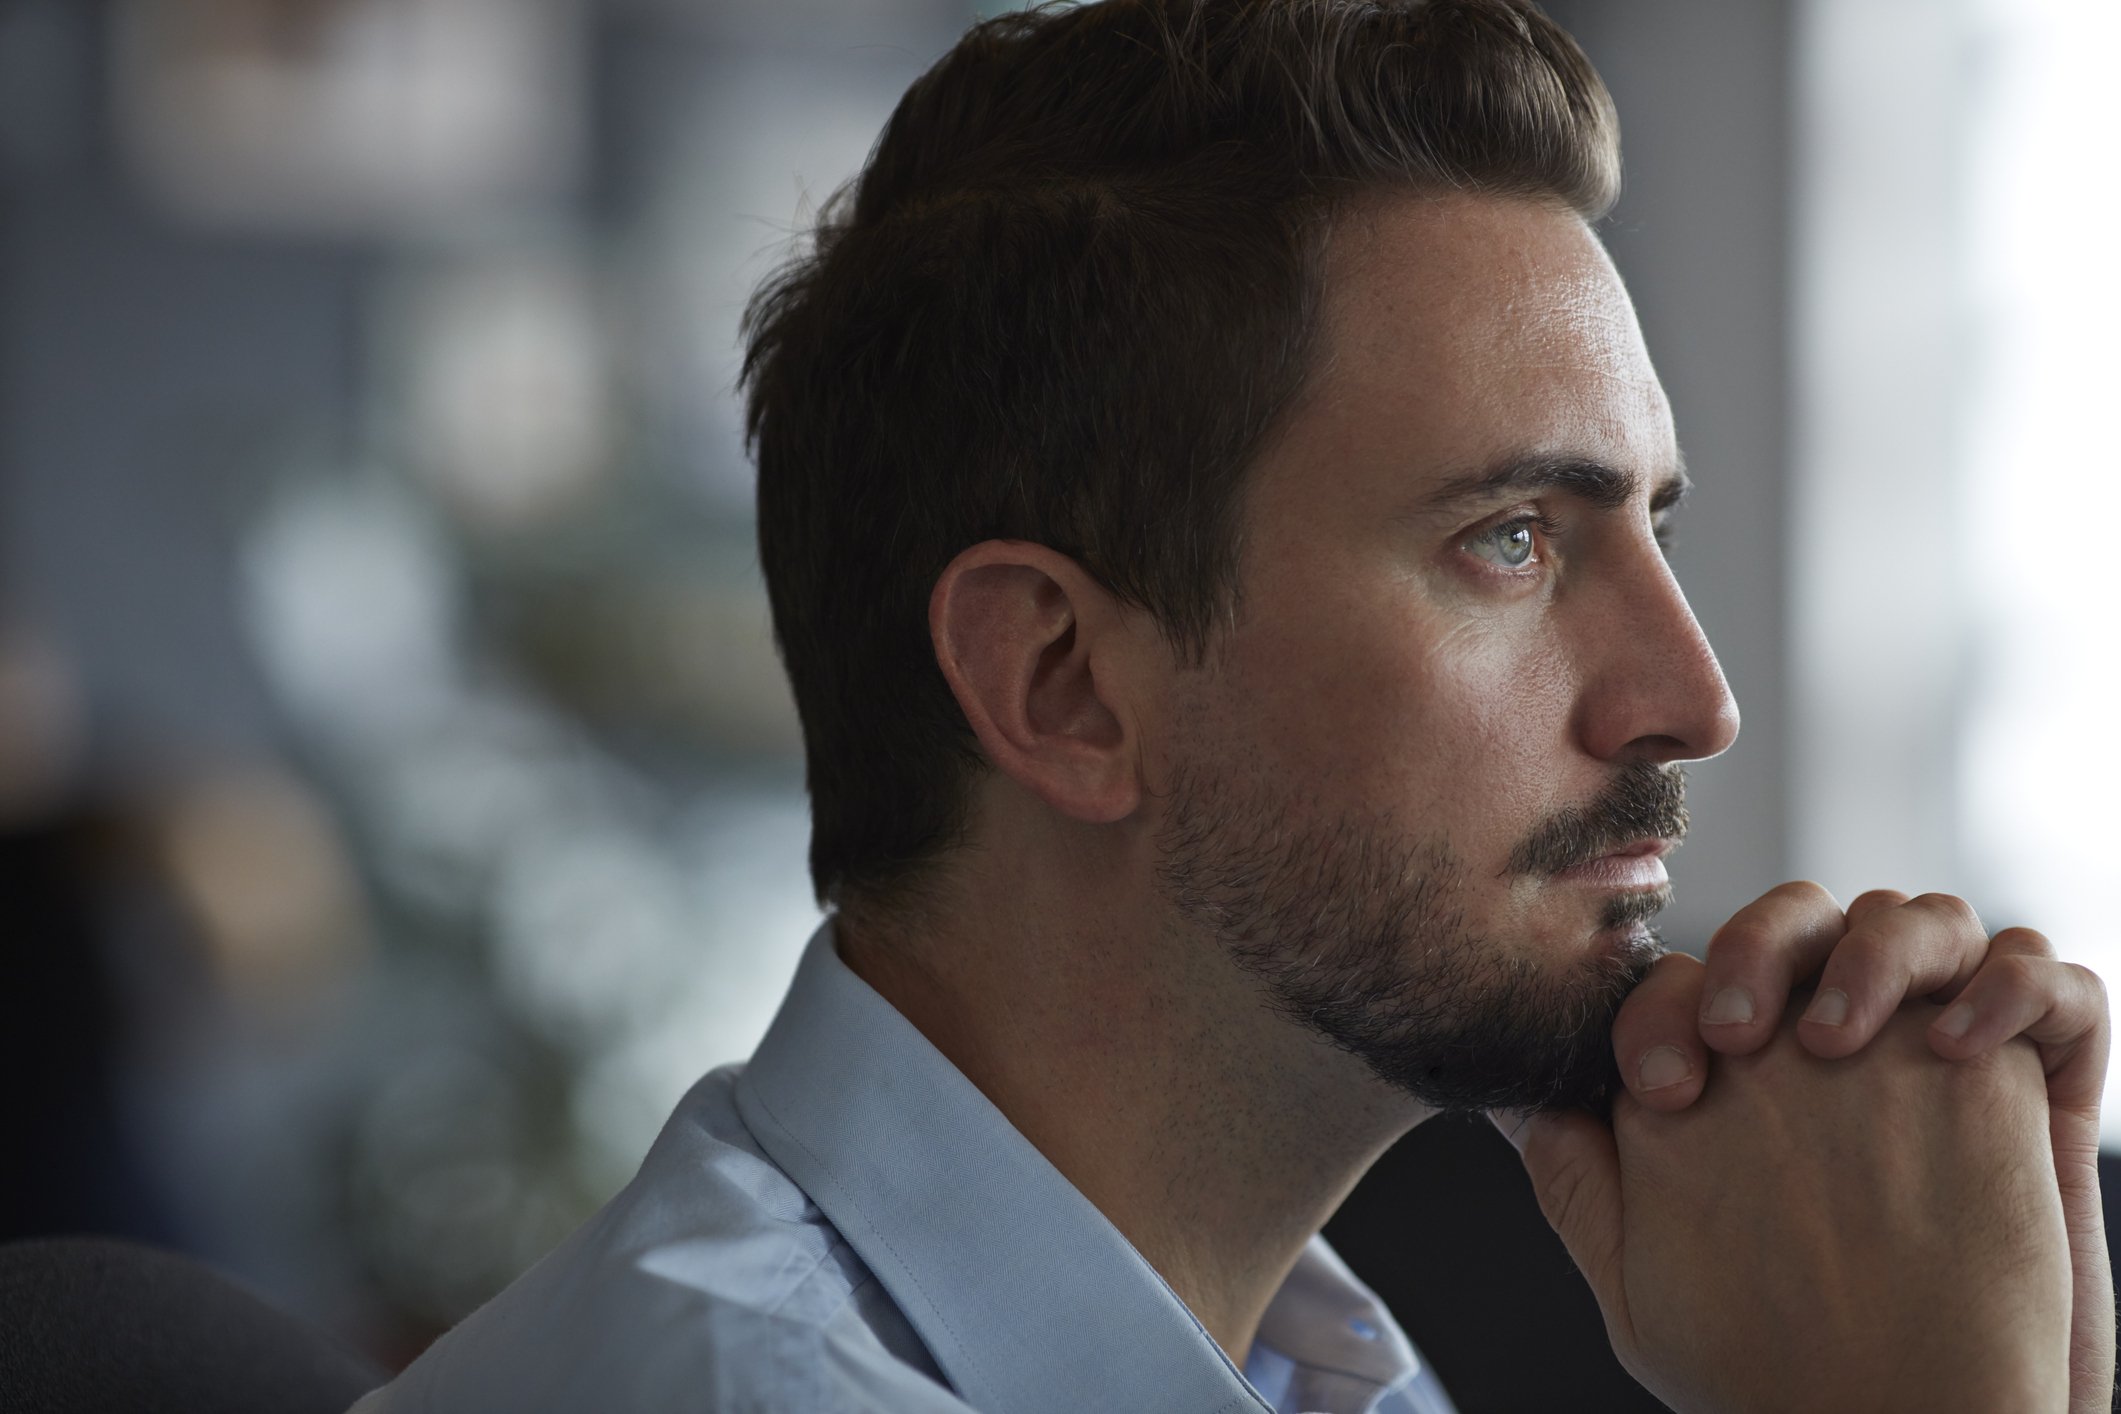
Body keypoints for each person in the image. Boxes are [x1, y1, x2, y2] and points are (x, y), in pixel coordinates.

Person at [350, 1, 2112, 1410]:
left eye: (1646, 529)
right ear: (1062, 686)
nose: (1691, 697)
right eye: (1509, 538)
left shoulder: (1302, 1365)